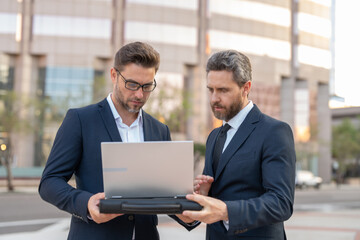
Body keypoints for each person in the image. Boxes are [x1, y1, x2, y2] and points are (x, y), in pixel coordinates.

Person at [39, 42, 171, 240]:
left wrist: (188, 206)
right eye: (132, 84)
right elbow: (49, 182)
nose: (139, 94)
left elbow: (165, 191)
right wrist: (86, 203)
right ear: (113, 75)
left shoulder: (160, 130)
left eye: (147, 86)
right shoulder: (80, 120)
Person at [179, 50, 296, 239]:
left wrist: (226, 210)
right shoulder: (214, 136)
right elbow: (215, 203)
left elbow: (281, 203)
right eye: (211, 89)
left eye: (223, 90)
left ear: (246, 87)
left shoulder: (275, 132)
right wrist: (204, 195)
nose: (214, 98)